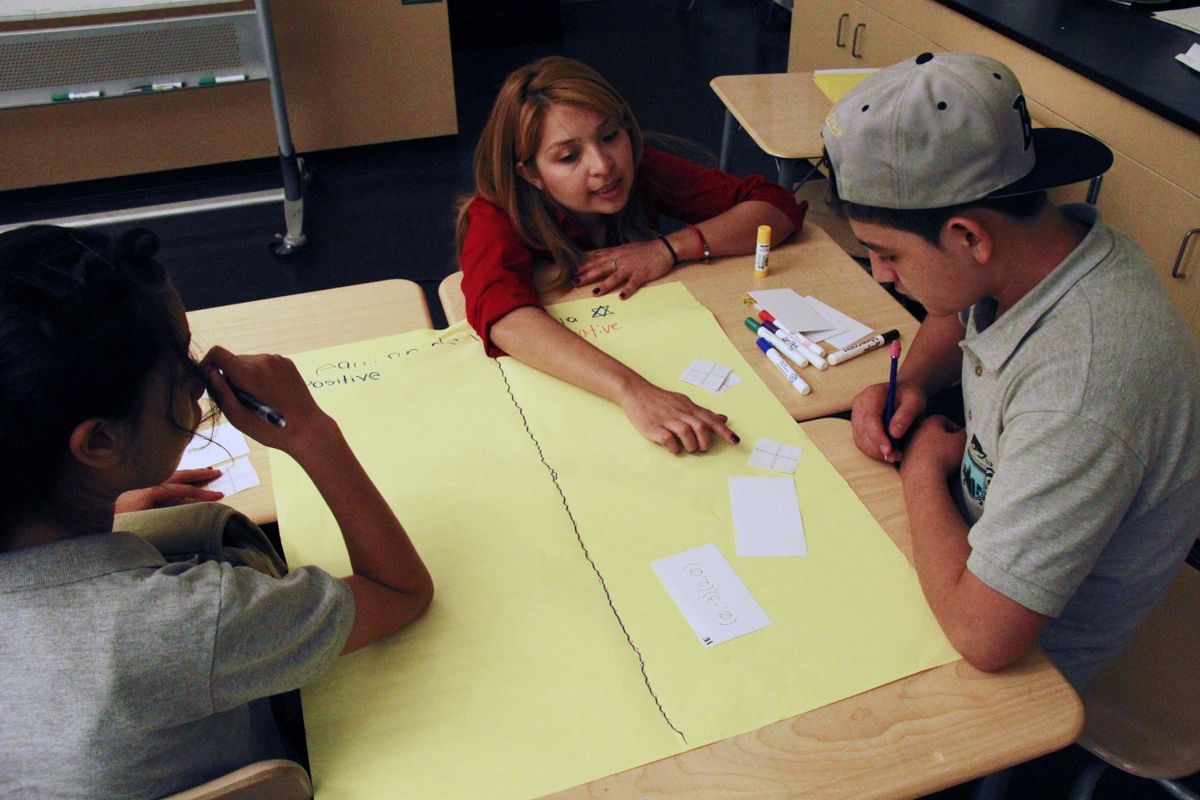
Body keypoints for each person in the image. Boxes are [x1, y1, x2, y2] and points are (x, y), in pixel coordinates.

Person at [0, 225, 434, 798]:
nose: (201, 377)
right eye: (181, 363)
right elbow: (400, 590)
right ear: (99, 443)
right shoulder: (188, 622)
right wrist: (309, 431)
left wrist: (110, 501)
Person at [823, 52, 1200, 689]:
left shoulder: (1078, 394)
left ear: (970, 236)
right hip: (982, 540)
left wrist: (922, 469)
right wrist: (913, 382)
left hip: (1031, 655)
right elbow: (957, 310)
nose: (881, 275)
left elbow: (984, 636)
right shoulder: (1049, 249)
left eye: (888, 255)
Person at [455, 56, 808, 454]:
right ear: (531, 173)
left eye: (610, 136)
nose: (603, 165)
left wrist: (669, 248)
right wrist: (632, 390)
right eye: (569, 157)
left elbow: (776, 207)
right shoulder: (495, 213)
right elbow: (504, 318)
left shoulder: (641, 166)